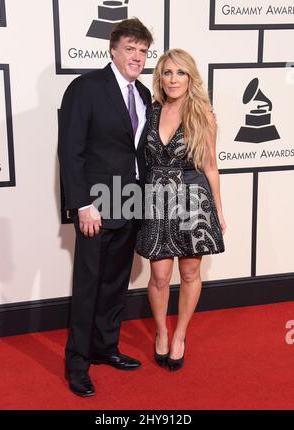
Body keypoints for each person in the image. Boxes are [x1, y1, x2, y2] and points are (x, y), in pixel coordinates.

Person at [58, 18, 153, 397]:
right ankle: (77, 362)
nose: (137, 56)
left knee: (115, 282)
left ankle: (104, 347)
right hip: (96, 205)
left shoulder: (144, 94)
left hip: (130, 201)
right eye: (130, 48)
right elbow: (70, 151)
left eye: (143, 51)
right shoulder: (86, 88)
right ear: (112, 49)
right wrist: (82, 203)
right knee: (88, 284)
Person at [136, 49, 226, 371]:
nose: (173, 79)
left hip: (193, 201)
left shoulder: (203, 115)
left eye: (180, 73)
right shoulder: (150, 111)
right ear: (160, 77)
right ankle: (161, 331)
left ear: (191, 78)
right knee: (159, 276)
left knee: (189, 273)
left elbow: (211, 166)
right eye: (167, 72)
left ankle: (180, 336)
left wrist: (217, 209)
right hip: (157, 200)